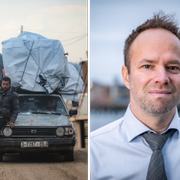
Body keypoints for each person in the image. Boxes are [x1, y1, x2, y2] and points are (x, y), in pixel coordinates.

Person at [90, 11, 180, 180]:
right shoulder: (95, 153)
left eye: (173, 67)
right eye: (147, 66)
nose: (162, 78)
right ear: (126, 76)